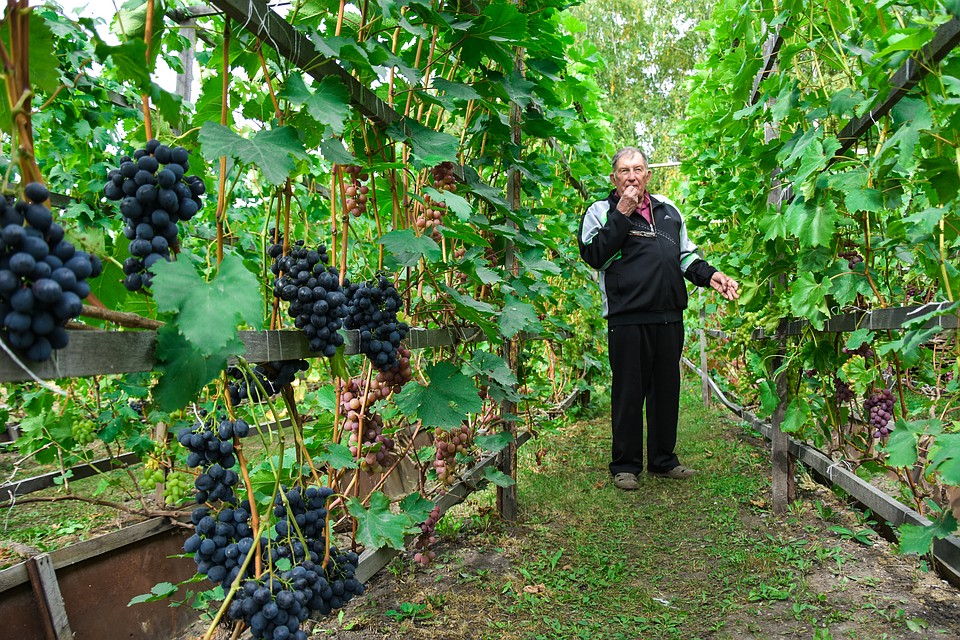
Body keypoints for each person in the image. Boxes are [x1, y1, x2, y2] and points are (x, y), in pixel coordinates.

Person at [578, 147, 739, 490]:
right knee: (629, 393)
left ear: (648, 175)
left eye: (638, 169)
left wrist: (713, 276)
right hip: (627, 317)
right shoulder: (600, 211)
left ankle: (663, 461)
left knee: (666, 390)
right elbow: (594, 255)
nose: (632, 176)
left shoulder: (668, 211)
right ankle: (625, 465)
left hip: (669, 317)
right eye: (624, 170)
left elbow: (686, 256)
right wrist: (621, 214)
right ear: (614, 178)